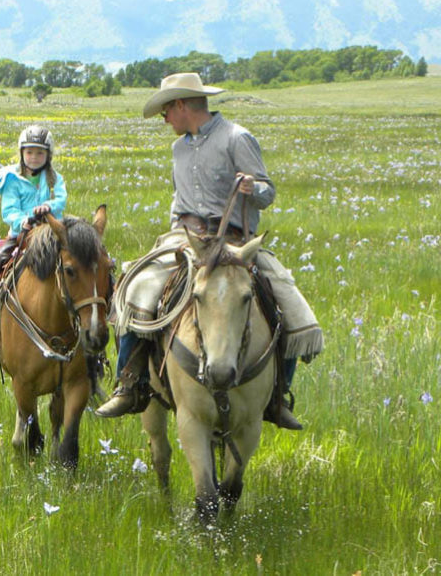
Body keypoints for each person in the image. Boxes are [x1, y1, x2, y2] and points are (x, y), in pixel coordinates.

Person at [95, 73, 322, 429]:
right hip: (187, 238)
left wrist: (252, 186)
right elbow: (178, 197)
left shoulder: (237, 138)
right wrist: (174, 233)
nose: (164, 118)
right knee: (137, 286)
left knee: (287, 300)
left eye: (166, 110)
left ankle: (278, 396)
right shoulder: (178, 148)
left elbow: (268, 191)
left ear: (182, 105)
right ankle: (130, 383)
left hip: (233, 240)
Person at [0, 125, 67, 303]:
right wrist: (23, 221)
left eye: (40, 153)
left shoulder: (54, 178)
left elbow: (61, 199)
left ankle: (107, 293)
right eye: (29, 152)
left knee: (80, 258)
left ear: (48, 155)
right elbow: (9, 210)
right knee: (1, 259)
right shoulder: (12, 180)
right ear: (22, 153)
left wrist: (48, 206)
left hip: (51, 233)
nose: (34, 158)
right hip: (22, 234)